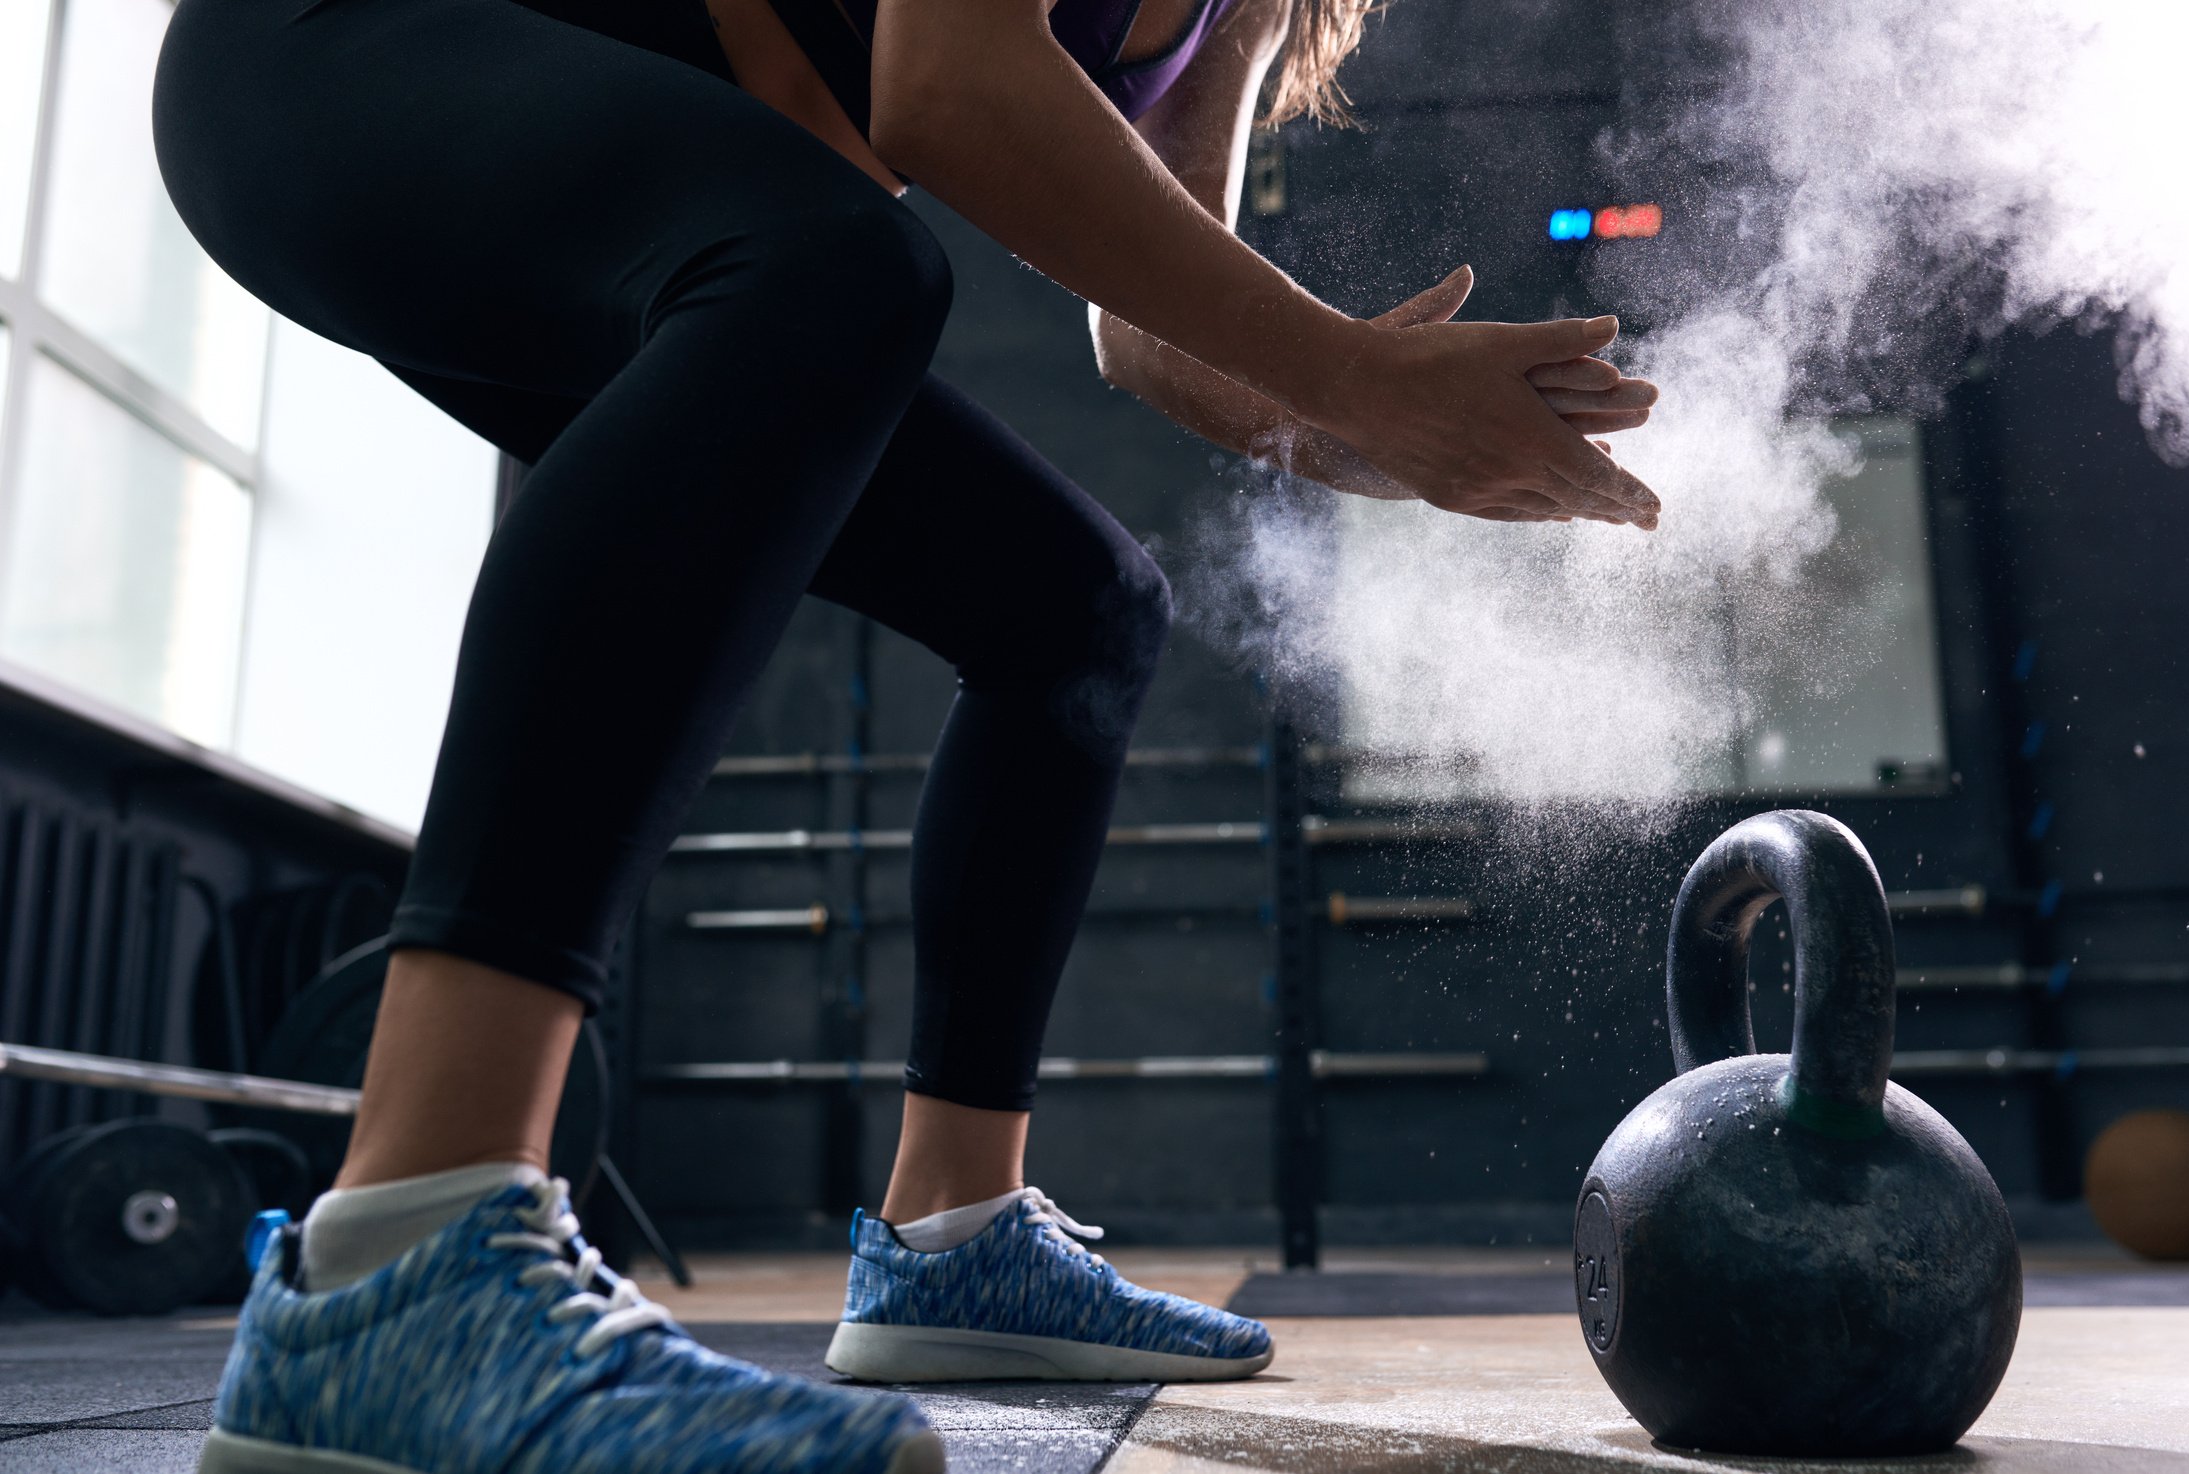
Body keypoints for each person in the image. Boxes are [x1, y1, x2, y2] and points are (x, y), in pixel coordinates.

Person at [151, 0, 1661, 1465]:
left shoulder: (1254, 8)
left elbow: (1151, 329)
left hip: (660, 218)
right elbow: (943, 81)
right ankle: (400, 1261)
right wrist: (1356, 378)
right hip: (340, 54)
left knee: (1076, 611)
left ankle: (954, 1242)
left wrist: (1395, 438)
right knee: (837, 270)